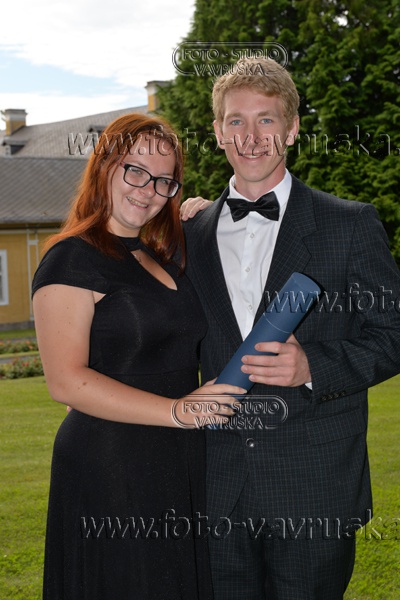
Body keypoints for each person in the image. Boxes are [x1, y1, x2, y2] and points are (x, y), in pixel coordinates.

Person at [180, 56, 400, 599]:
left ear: (293, 128)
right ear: (217, 131)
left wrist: (312, 366)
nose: (251, 137)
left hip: (315, 487)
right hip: (216, 489)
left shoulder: (350, 223)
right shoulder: (188, 234)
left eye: (267, 120)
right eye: (236, 120)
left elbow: (393, 334)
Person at [32, 113, 244, 600]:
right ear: (104, 166)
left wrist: (207, 219)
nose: (148, 190)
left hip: (176, 457)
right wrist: (177, 410)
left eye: (164, 181)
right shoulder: (71, 257)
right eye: (135, 171)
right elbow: (66, 382)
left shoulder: (155, 254)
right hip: (112, 462)